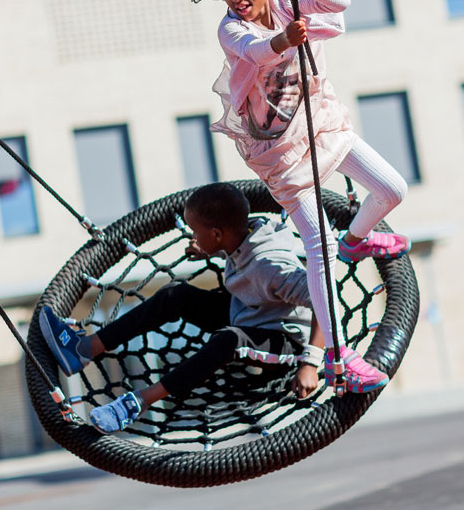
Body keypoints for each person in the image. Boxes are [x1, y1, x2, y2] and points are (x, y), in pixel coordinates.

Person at [208, 0, 410, 393]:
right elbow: (260, 52)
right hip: (277, 149)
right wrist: (284, 38)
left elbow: (343, 1)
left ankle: (357, 238)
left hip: (319, 122)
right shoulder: (230, 29)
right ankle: (336, 355)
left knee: (392, 189)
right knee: (319, 245)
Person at [40, 182, 350, 434]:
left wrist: (311, 362)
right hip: (250, 313)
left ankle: (138, 402)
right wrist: (211, 252)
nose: (192, 236)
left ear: (217, 233)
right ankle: (83, 350)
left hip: (285, 341)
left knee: (229, 340)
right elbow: (244, 261)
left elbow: (325, 295)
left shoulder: (269, 266)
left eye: (196, 231)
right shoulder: (240, 238)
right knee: (174, 295)